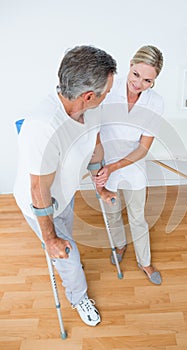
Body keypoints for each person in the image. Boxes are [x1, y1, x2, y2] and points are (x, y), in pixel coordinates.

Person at [13, 45, 117, 326]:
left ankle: (67, 261)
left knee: (67, 237)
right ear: (88, 95)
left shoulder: (92, 110)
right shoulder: (43, 128)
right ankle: (78, 295)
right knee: (67, 254)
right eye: (106, 91)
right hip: (44, 203)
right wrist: (50, 240)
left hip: (65, 192)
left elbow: (95, 144)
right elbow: (39, 191)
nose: (108, 96)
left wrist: (100, 183)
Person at [95, 45, 164, 285]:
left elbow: (143, 148)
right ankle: (120, 244)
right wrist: (98, 166)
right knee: (112, 214)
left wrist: (115, 167)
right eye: (136, 74)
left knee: (138, 217)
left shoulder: (155, 103)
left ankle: (144, 261)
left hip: (133, 164)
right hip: (104, 164)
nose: (138, 83)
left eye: (147, 80)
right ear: (131, 63)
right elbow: (94, 131)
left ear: (154, 81)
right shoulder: (107, 91)